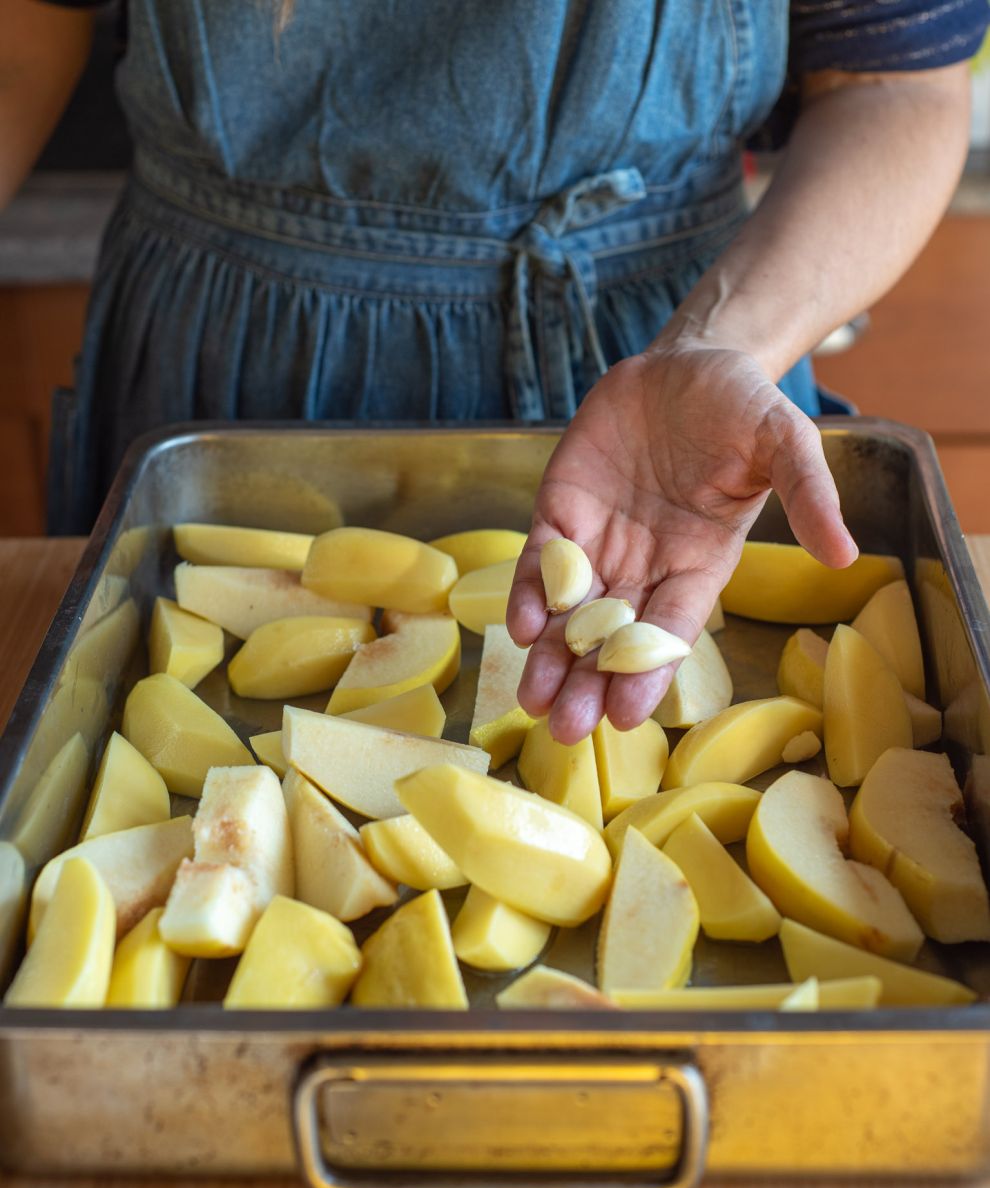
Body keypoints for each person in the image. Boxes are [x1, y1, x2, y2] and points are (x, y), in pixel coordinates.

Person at [3, 1, 987, 742]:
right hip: (225, 346)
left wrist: (718, 343)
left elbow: (895, 83)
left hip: (686, 348)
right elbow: (20, 40)